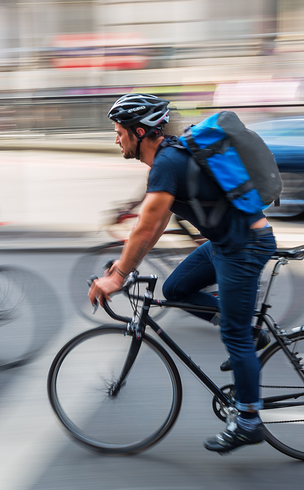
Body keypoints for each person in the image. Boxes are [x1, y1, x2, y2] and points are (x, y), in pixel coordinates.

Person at [89, 93, 278, 454]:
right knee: (175, 289)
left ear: (140, 132)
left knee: (235, 336)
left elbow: (146, 227)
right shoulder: (169, 157)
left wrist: (118, 277)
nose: (116, 138)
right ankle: (249, 337)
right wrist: (122, 267)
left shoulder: (167, 163)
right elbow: (154, 224)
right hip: (227, 242)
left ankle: (249, 421)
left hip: (244, 246)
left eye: (119, 131)